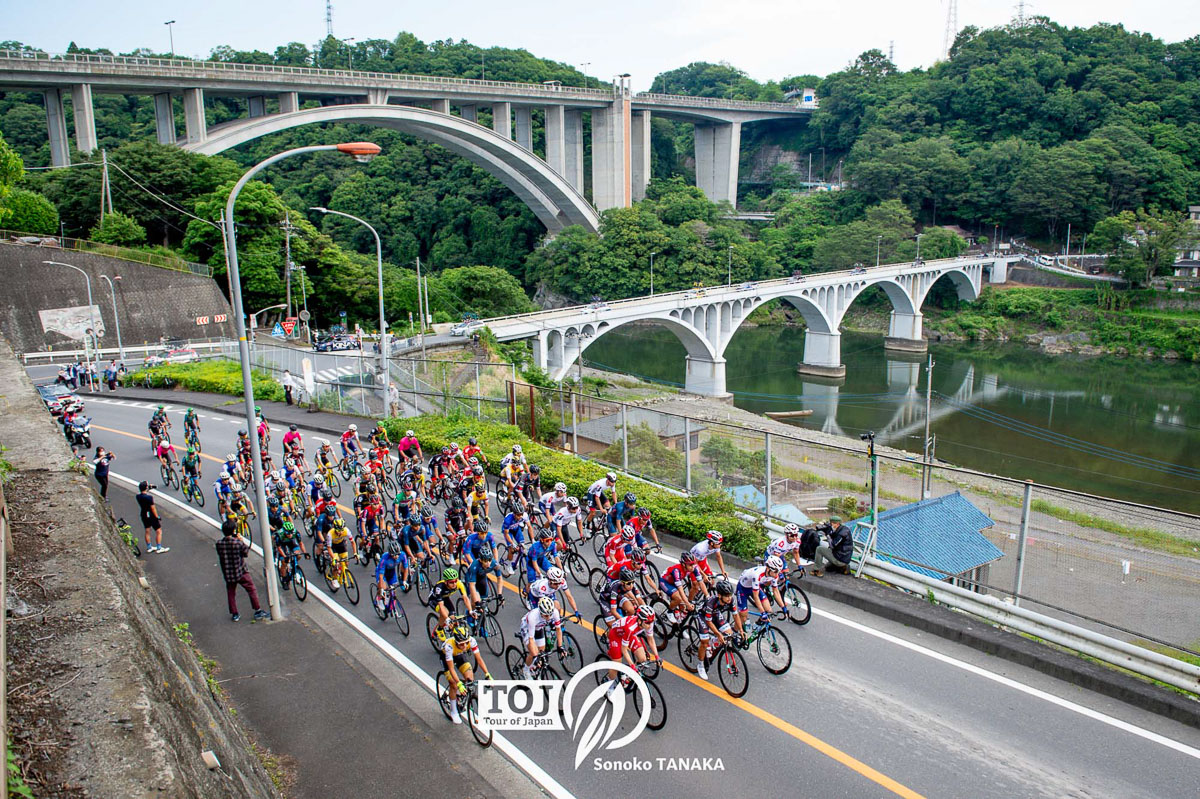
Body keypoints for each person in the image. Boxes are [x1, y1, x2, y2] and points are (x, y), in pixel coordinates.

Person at [216, 518, 270, 622]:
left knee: (231, 593)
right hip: (241, 571)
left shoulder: (219, 544)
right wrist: (241, 540)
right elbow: (245, 553)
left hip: (228, 573)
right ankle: (257, 610)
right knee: (251, 589)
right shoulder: (237, 543)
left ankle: (235, 613)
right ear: (233, 531)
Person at [135, 481, 169, 553]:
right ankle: (159, 547)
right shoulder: (149, 498)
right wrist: (157, 517)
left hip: (144, 514)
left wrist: (148, 488)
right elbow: (153, 508)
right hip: (151, 515)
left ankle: (149, 547)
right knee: (158, 531)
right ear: (146, 488)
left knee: (147, 530)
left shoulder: (138, 496)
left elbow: (143, 493)